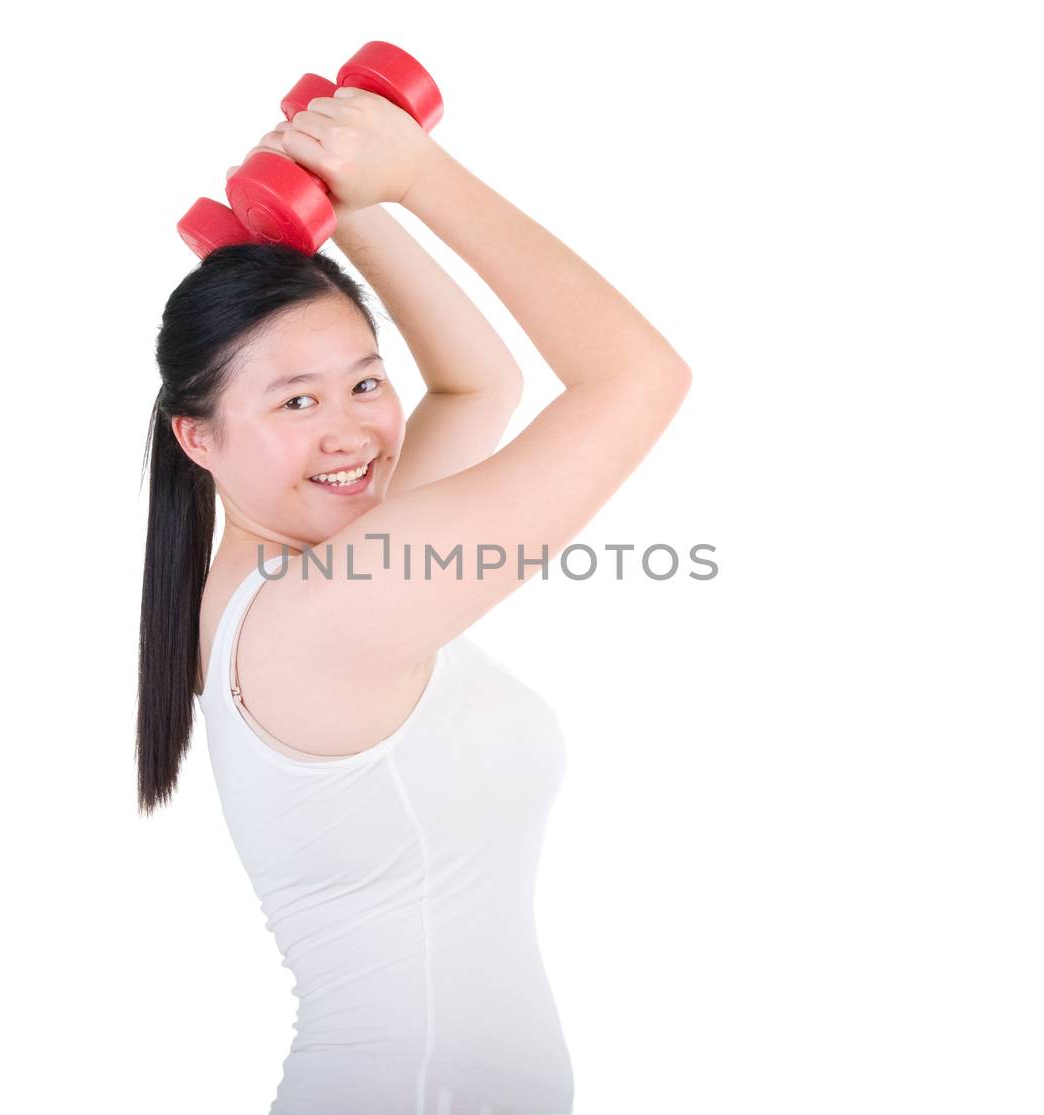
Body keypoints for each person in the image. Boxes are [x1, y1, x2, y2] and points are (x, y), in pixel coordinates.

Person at [137, 86, 691, 1115]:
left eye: (362, 381)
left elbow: (476, 384)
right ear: (197, 436)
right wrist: (422, 178)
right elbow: (636, 376)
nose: (349, 430)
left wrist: (346, 204)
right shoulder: (329, 607)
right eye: (294, 400)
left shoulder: (287, 586)